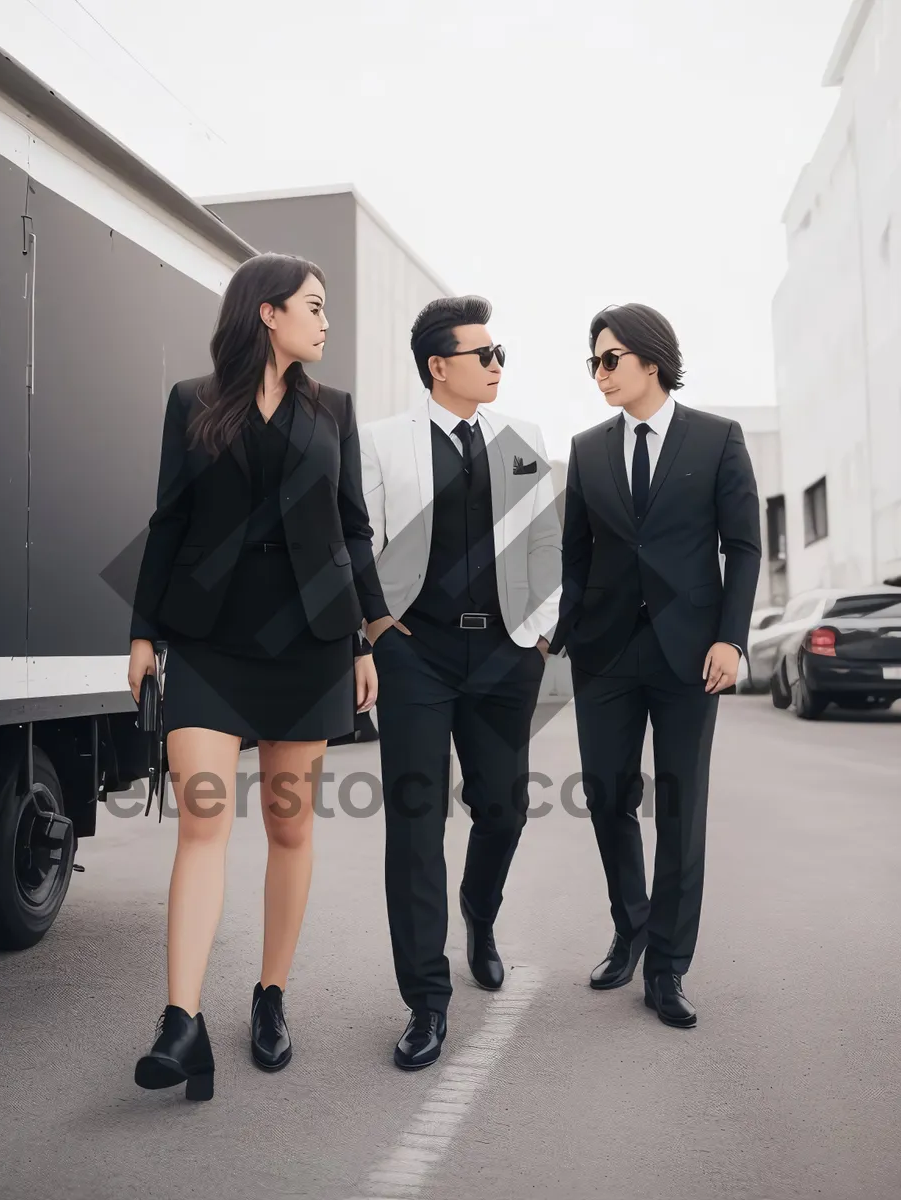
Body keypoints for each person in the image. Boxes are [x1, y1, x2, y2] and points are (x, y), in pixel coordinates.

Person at [126, 253, 387, 1099]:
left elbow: (353, 530)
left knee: (287, 829)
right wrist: (142, 634)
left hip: (309, 638)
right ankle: (180, 1021)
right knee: (201, 821)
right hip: (208, 638)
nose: (324, 321)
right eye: (313, 306)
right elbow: (168, 520)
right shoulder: (192, 402)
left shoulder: (335, 410)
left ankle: (270, 996)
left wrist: (366, 639)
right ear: (268, 313)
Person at [360, 295, 561, 1069]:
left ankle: (480, 912)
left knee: (502, 810)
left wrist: (541, 633)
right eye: (486, 354)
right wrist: (375, 630)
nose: (498, 364)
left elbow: (547, 539)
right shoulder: (382, 443)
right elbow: (362, 542)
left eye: (501, 351)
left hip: (507, 655)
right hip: (418, 654)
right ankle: (426, 1002)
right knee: (415, 825)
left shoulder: (524, 441)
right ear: (440, 366)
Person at [549, 303, 761, 1028]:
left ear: (650, 360)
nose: (599, 374)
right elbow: (576, 551)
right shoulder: (586, 449)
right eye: (593, 362)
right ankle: (631, 924)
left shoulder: (718, 438)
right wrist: (562, 627)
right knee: (607, 797)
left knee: (679, 807)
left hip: (689, 654)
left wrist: (731, 639)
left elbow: (745, 546)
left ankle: (667, 967)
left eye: (609, 360)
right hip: (605, 654)